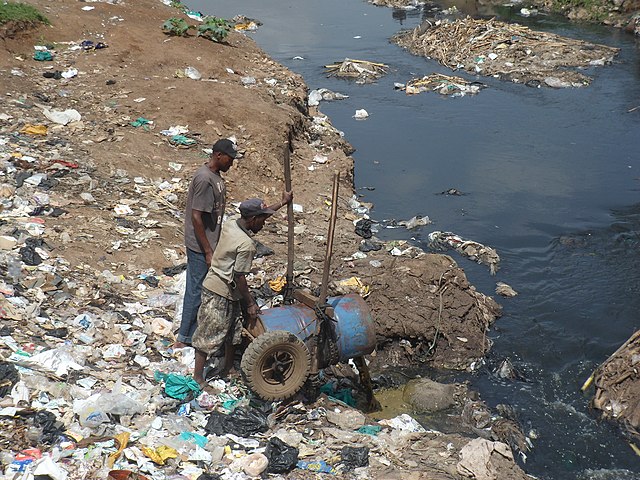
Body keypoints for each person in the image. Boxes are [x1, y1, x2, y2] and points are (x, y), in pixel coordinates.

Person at [192, 197, 292, 389]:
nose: (263, 224)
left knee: (234, 331)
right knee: (208, 334)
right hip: (219, 290)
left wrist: (282, 202)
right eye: (262, 221)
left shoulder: (231, 223)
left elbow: (261, 211)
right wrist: (250, 303)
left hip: (226, 289)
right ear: (253, 219)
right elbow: (239, 278)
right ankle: (198, 377)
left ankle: (228, 368)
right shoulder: (246, 244)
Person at [175, 138, 237, 348]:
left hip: (209, 243)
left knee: (201, 288)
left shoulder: (215, 177)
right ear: (218, 155)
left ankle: (192, 332)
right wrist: (208, 251)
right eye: (230, 158)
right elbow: (196, 217)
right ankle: (183, 338)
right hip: (200, 246)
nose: (232, 163)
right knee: (196, 289)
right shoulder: (204, 179)